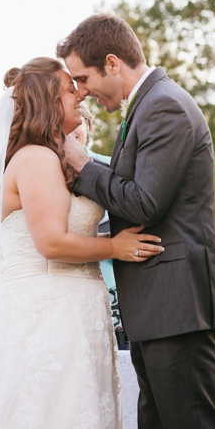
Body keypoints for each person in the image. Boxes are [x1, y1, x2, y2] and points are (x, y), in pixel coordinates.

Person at [0, 57, 164, 429]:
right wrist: (114, 247)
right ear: (48, 103)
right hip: (46, 314)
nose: (80, 95)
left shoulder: (54, 159)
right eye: (68, 89)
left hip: (72, 311)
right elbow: (51, 242)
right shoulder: (37, 159)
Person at [57, 14, 215, 429]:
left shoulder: (164, 106)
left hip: (176, 303)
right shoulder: (148, 106)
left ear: (113, 64)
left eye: (83, 79)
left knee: (189, 425)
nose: (81, 92)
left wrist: (82, 167)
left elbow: (143, 203)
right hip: (158, 305)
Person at [71, 103, 129, 350]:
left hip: (115, 277)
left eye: (79, 123)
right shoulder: (43, 170)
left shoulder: (113, 166)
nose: (72, 131)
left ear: (88, 125)